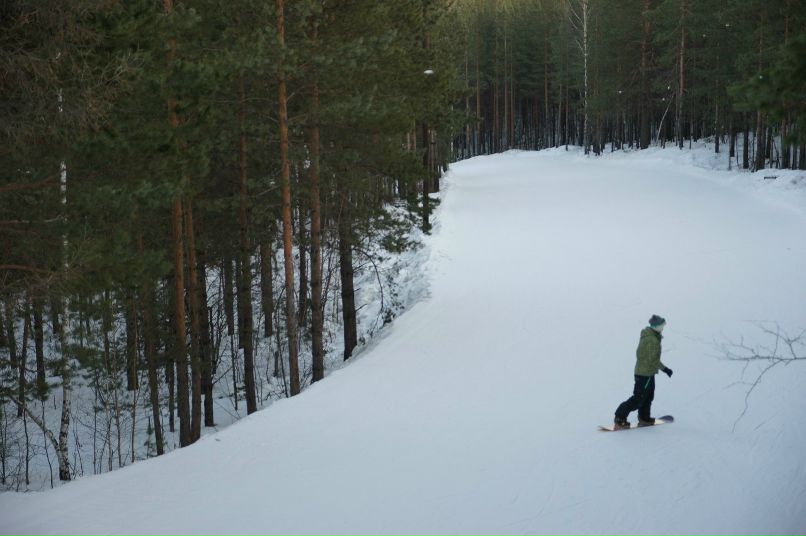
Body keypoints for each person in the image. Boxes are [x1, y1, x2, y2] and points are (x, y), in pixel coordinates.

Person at [614, 315, 673, 429]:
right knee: (638, 398)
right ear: (655, 326)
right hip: (644, 374)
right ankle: (620, 418)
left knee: (648, 396)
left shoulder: (650, 335)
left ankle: (644, 418)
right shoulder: (652, 340)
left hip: (647, 373)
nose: (663, 328)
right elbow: (653, 360)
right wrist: (665, 369)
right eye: (661, 326)